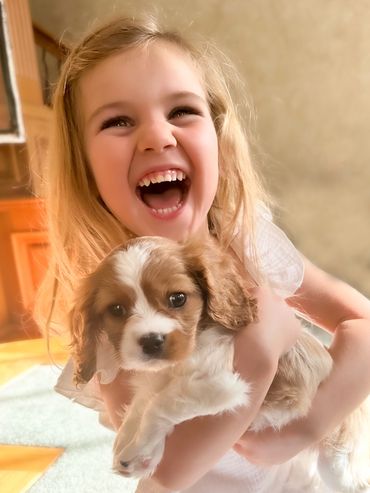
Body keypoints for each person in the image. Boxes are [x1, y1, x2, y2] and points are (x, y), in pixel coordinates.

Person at [34, 14, 370, 493]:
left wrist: (306, 428)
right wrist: (258, 350)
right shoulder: (113, 307)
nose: (157, 136)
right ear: (84, 165)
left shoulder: (248, 240)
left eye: (181, 112)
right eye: (118, 121)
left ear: (217, 136)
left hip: (296, 478)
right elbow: (166, 470)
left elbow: (362, 324)